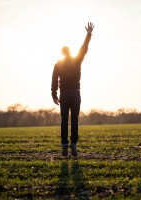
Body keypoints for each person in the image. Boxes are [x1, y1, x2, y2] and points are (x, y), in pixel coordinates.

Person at [51, 22, 94, 157]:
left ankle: (64, 144)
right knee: (74, 120)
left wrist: (54, 95)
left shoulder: (58, 64)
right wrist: (88, 34)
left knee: (64, 120)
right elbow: (84, 49)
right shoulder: (76, 60)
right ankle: (73, 144)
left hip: (63, 94)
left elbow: (53, 80)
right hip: (75, 93)